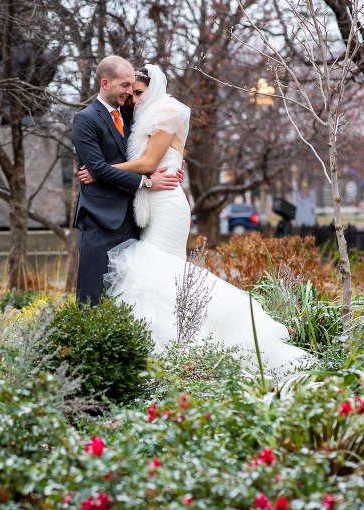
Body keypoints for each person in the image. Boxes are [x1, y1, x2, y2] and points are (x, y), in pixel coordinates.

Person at [79, 64, 309, 376]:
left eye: (138, 92)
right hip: (150, 201)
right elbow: (145, 161)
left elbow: (148, 161)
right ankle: (176, 354)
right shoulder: (138, 117)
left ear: (153, 89)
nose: (133, 98)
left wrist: (101, 169)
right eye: (131, 93)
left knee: (154, 272)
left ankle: (186, 351)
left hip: (167, 204)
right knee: (159, 279)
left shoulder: (169, 111)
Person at [71, 56, 183, 307]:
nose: (129, 92)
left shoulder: (134, 116)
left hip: (134, 220)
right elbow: (97, 168)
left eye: (132, 86)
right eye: (124, 86)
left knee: (129, 296)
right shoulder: (85, 120)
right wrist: (145, 181)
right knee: (92, 296)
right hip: (100, 219)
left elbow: (151, 153)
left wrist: (174, 168)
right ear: (105, 83)